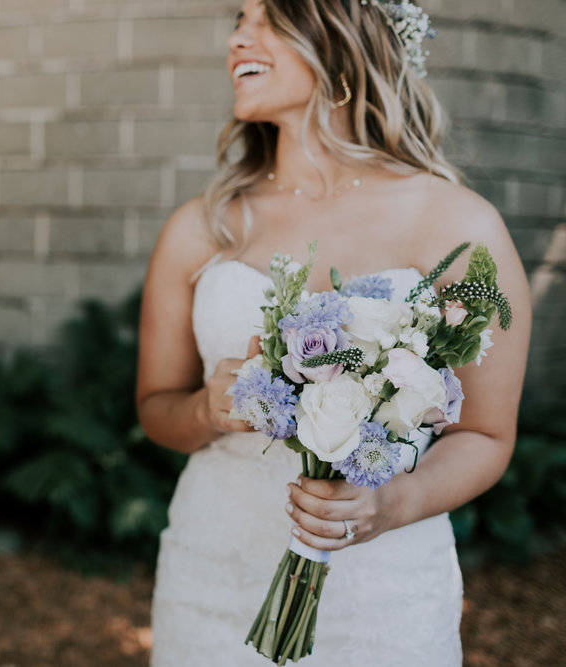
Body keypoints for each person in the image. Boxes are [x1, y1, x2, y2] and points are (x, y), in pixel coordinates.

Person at [137, 0, 531, 663]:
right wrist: (206, 408)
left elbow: (486, 434)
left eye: (268, 17)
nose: (239, 38)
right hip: (212, 570)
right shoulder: (202, 227)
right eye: (238, 18)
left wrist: (390, 502)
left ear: (344, 38)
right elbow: (156, 408)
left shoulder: (457, 224)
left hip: (384, 592)